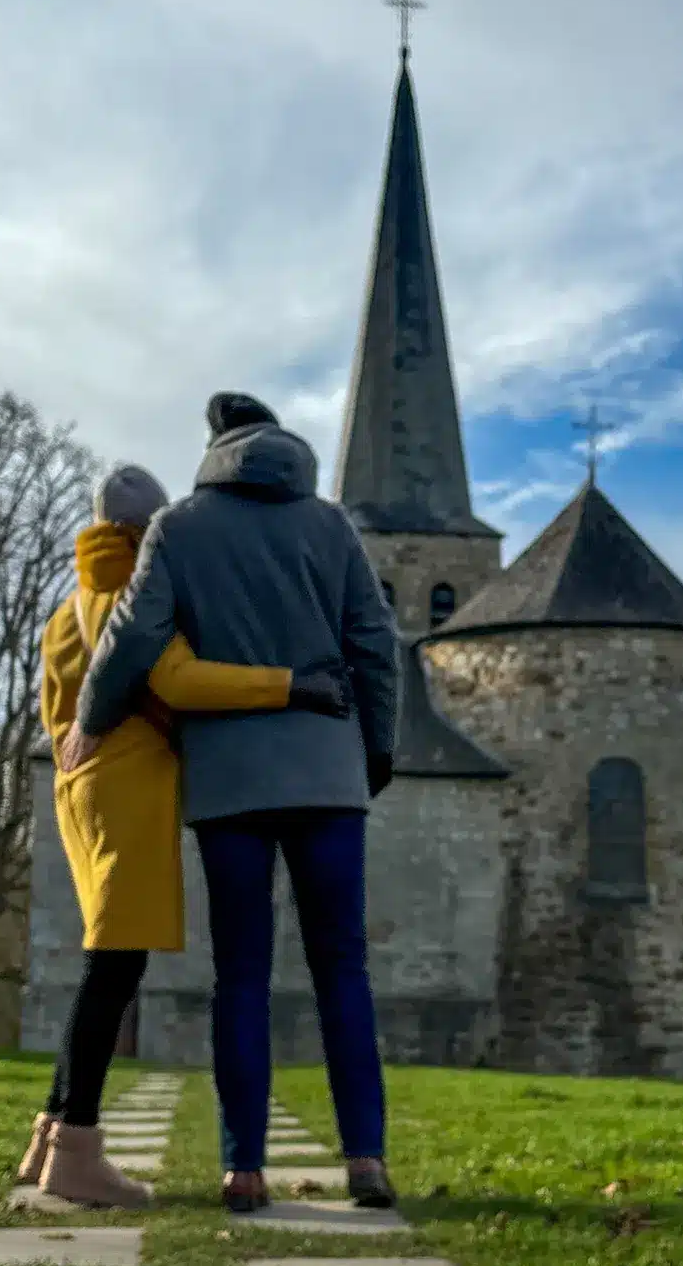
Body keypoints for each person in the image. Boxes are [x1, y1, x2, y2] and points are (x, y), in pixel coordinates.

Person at [72, 393, 401, 1214]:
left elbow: (132, 637)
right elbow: (374, 641)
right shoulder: (331, 526)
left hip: (229, 785)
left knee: (241, 977)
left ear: (215, 449)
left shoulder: (180, 528)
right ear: (283, 444)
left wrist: (90, 717)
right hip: (328, 775)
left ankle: (243, 1168)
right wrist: (378, 749)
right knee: (343, 970)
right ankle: (365, 1159)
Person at [22, 461, 347, 1206]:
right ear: (145, 533)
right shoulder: (133, 598)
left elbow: (55, 714)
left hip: (81, 793)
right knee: (114, 970)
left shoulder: (68, 607)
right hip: (130, 792)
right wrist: (290, 683)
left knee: (105, 961)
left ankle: (46, 1137)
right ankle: (76, 1147)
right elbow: (177, 678)